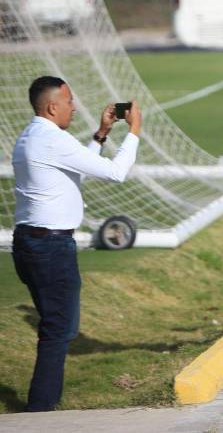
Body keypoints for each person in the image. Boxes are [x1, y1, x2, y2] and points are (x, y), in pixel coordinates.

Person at [12, 77, 142, 411]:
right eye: (70, 101)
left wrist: (101, 134)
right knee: (60, 329)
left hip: (29, 244)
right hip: (51, 248)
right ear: (52, 106)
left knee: (53, 326)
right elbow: (115, 173)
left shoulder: (31, 136)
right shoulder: (53, 140)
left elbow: (77, 173)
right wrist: (134, 132)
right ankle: (39, 411)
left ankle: (41, 404)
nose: (74, 106)